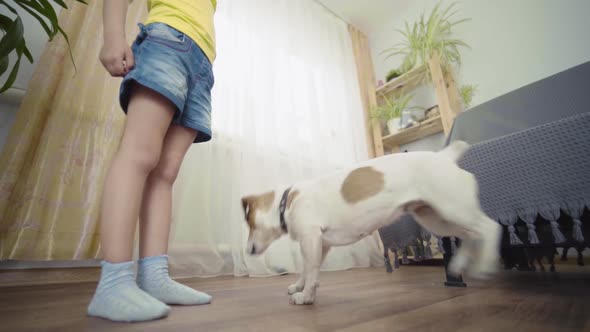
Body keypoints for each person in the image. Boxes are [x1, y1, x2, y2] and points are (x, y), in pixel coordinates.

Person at [87, 0, 217, 322]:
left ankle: (154, 276)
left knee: (166, 173)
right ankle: (113, 282)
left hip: (202, 62)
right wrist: (114, 36)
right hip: (168, 40)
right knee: (140, 153)